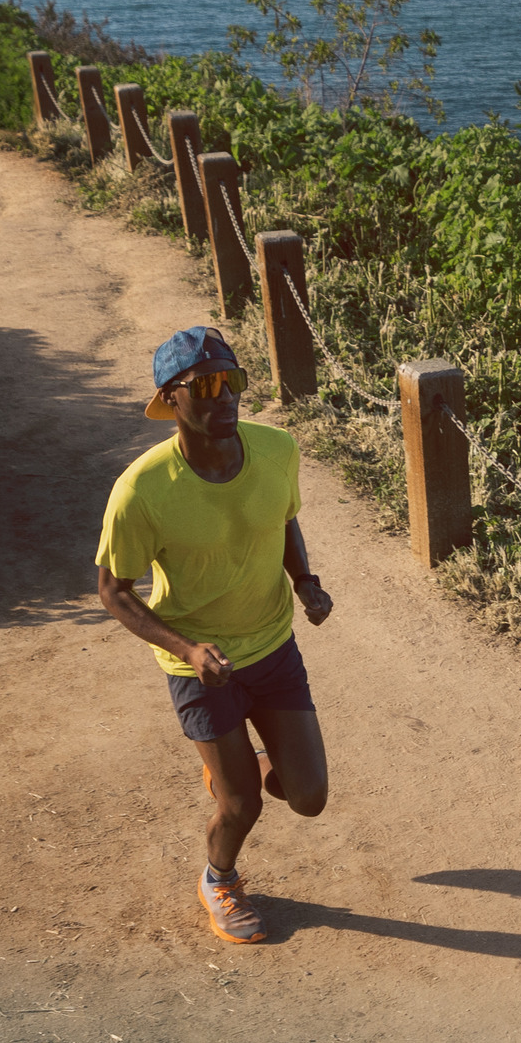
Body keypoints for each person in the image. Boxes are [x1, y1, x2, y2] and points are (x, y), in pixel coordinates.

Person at [92, 326, 332, 943]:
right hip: (201, 666)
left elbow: (283, 519)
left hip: (272, 646)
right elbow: (114, 591)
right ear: (170, 398)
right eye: (205, 386)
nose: (224, 398)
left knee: (308, 797)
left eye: (233, 382)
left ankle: (237, 765)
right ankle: (218, 877)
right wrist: (187, 649)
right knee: (242, 805)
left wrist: (304, 581)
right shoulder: (141, 491)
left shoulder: (277, 450)